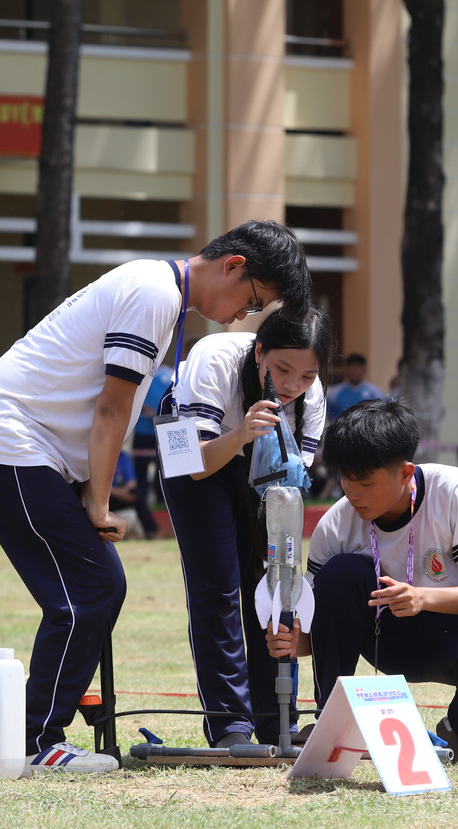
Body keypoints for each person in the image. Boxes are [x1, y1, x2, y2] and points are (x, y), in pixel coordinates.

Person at [0, 220, 311, 776]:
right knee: (92, 588)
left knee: (94, 588)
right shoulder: (156, 294)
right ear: (233, 265)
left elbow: (121, 405)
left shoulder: (162, 297)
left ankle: (35, 734)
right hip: (8, 440)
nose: (245, 315)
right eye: (252, 299)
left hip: (25, 448)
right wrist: (97, 502)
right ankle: (35, 742)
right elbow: (112, 409)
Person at [266, 400, 458, 764]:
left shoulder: (454, 491)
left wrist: (422, 598)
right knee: (339, 573)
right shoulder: (336, 525)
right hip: (382, 641)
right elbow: (322, 629)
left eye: (366, 482)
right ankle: (331, 718)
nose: (352, 493)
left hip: (457, 635)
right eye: (345, 479)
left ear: (405, 473)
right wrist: (293, 641)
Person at [159, 307, 330, 747]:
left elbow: (287, 489)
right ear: (259, 353)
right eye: (283, 369)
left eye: (307, 375)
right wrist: (240, 434)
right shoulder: (212, 360)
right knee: (217, 585)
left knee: (272, 582)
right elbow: (190, 466)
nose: (293, 385)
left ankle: (278, 718)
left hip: (264, 474)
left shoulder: (310, 398)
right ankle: (229, 725)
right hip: (194, 452)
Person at [130, 361, 175, 537]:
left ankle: (161, 499)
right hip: (143, 429)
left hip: (162, 429)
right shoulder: (140, 371)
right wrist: (146, 409)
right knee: (140, 469)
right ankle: (141, 499)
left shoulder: (170, 374)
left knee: (163, 468)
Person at [108, 447, 158, 539]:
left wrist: (124, 492)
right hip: (105, 496)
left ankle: (151, 532)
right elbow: (99, 485)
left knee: (137, 495)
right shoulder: (102, 455)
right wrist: (121, 494)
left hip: (122, 494)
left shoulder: (124, 456)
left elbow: (132, 482)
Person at [325, 353, 385, 422]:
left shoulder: (375, 392)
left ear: (364, 369)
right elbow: (328, 415)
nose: (353, 370)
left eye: (357, 366)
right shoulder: (334, 393)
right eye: (350, 366)